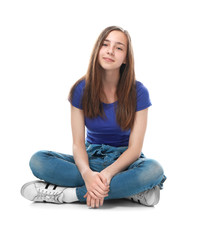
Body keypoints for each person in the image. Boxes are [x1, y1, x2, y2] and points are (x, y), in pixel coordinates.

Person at [21, 26, 166, 208]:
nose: (110, 51)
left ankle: (69, 194)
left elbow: (135, 149)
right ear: (97, 49)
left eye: (119, 48)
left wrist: (105, 175)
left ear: (126, 59)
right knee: (38, 160)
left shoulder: (139, 92)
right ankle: (130, 190)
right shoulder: (80, 89)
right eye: (105, 44)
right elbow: (78, 144)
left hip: (124, 162)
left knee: (154, 170)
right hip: (91, 157)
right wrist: (87, 174)